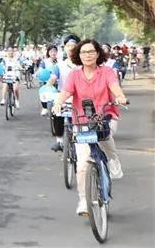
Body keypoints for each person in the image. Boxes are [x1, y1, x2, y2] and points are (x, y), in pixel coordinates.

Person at [52, 39, 127, 216]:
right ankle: (84, 202)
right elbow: (66, 92)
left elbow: (115, 88)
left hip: (106, 115)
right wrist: (58, 103)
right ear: (78, 55)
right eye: (84, 52)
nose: (88, 55)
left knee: (105, 133)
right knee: (83, 164)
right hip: (82, 120)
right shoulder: (74, 75)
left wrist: (120, 97)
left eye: (91, 51)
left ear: (98, 53)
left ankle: (112, 158)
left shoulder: (107, 72)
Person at [49, 35, 80, 152]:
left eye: (73, 46)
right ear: (65, 48)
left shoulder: (84, 64)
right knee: (56, 112)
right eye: (68, 46)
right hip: (64, 97)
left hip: (80, 97)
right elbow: (52, 79)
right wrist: (47, 88)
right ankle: (59, 140)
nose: (71, 48)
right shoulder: (59, 65)